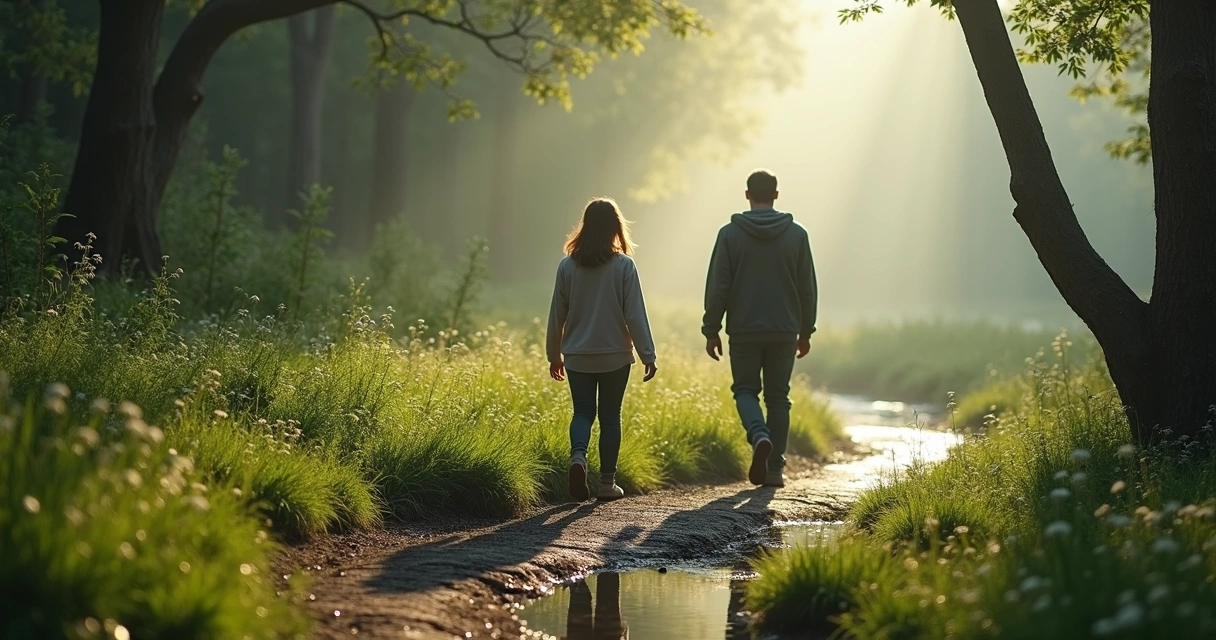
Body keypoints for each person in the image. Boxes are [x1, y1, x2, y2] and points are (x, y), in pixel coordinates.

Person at [701, 169, 817, 488]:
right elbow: (807, 288)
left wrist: (711, 328)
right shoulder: (797, 235)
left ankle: (758, 434)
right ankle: (775, 470)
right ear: (776, 195)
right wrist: (806, 331)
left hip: (743, 330)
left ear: (747, 195)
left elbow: (718, 286)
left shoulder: (729, 235)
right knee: (779, 397)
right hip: (784, 330)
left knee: (746, 390)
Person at [547, 197, 658, 502]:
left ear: (585, 227)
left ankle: (578, 458)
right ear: (615, 228)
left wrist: (553, 355)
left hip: (577, 355)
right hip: (614, 355)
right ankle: (607, 484)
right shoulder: (624, 266)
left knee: (583, 412)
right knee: (610, 416)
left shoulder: (567, 267)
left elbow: (557, 314)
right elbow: (634, 314)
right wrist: (648, 355)